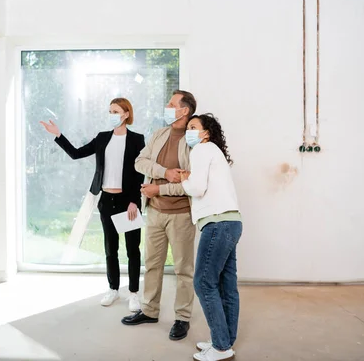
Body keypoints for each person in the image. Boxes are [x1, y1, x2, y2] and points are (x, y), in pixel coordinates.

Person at [40, 98, 145, 311]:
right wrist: (58, 135)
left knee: (132, 249)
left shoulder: (137, 139)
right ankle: (113, 289)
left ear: (126, 114)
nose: (112, 114)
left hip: (128, 201)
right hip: (107, 200)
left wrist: (135, 201)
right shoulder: (102, 138)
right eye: (110, 111)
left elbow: (139, 171)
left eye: (115, 111)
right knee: (110, 248)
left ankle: (134, 293)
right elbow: (76, 153)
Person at [121, 90, 197, 341]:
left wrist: (159, 185)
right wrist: (164, 171)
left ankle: (182, 318)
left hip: (182, 215)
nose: (167, 106)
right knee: (152, 264)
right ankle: (150, 310)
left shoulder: (193, 140)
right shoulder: (159, 134)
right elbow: (139, 162)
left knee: (183, 269)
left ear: (184, 110)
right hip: (154, 211)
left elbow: (189, 182)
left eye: (171, 104)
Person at [180, 113, 242, 361]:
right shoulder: (214, 152)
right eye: (187, 128)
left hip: (217, 224)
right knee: (227, 286)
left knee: (203, 282)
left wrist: (185, 179)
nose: (189, 131)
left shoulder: (201, 150)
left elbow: (197, 188)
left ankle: (221, 347)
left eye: (193, 127)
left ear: (206, 133)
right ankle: (224, 340)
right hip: (232, 222)